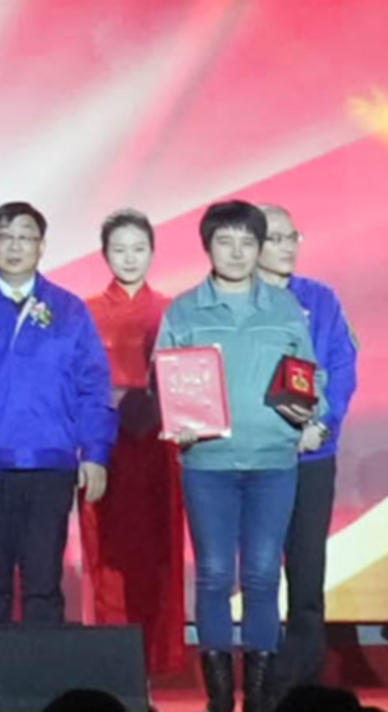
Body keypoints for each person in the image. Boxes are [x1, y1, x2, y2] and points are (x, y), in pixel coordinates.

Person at [162, 202, 318, 712]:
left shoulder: (285, 308)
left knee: (263, 576)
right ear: (207, 247)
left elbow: (311, 375)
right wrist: (177, 418)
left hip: (274, 462)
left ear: (259, 248)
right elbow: (163, 379)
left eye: (247, 242)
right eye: (225, 242)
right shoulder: (184, 311)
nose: (236, 252)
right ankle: (218, 699)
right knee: (212, 574)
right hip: (208, 464)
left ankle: (258, 700)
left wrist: (312, 413)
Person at [0, 203, 113, 628]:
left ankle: (42, 672)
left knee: (44, 584)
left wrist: (95, 453)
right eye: (5, 236)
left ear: (42, 246)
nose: (15, 246)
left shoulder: (69, 310)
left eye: (25, 237)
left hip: (51, 464)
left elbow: (93, 387)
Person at [76, 211, 187, 687]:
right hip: (105, 447)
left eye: (139, 248)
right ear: (104, 254)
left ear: (153, 252)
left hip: (160, 448)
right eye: (119, 249)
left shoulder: (174, 310)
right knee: (106, 557)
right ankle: (111, 666)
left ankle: (151, 666)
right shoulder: (82, 311)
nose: (129, 258)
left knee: (157, 556)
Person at [255, 206, 359, 706]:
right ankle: (260, 688)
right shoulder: (234, 301)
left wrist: (321, 426)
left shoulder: (321, 299)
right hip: (252, 459)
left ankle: (303, 689)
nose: (286, 247)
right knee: (256, 576)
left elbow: (342, 367)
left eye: (291, 237)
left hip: (312, 456)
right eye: (274, 238)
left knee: (307, 577)